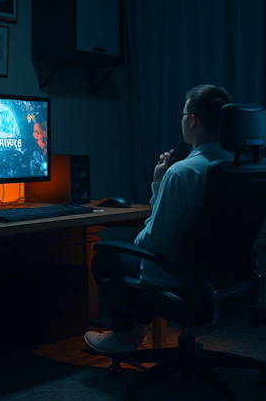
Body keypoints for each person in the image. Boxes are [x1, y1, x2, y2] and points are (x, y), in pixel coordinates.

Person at [84, 84, 234, 354]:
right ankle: (140, 327)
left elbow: (153, 241)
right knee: (146, 259)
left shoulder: (182, 173)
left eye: (182, 115)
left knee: (105, 257)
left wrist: (158, 183)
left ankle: (124, 337)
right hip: (222, 275)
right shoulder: (236, 166)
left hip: (179, 277)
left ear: (192, 120)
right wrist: (161, 186)